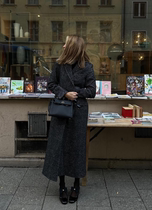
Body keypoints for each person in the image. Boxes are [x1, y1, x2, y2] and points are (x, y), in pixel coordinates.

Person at [42, 35, 96, 204]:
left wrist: (77, 94)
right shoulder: (59, 65)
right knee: (60, 148)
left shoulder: (87, 67)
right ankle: (62, 185)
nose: (63, 45)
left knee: (77, 148)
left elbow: (92, 91)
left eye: (66, 43)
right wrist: (64, 93)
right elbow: (51, 84)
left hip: (78, 113)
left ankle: (76, 185)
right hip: (61, 111)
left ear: (73, 47)